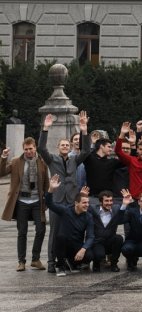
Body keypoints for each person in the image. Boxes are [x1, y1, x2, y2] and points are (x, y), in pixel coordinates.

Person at [38, 113, 83, 273]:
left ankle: (69, 261)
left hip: (70, 201)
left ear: (70, 147)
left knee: (71, 233)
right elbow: (41, 148)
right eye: (62, 145)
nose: (65, 147)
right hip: (56, 201)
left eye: (67, 145)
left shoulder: (74, 160)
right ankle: (51, 262)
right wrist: (45, 129)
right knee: (54, 232)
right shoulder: (52, 160)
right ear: (58, 147)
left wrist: (84, 130)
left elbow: (87, 151)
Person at [1, 139, 49, 272]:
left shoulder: (42, 162)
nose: (28, 152)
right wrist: (4, 157)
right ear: (23, 149)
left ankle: (35, 259)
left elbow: (46, 182)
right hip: (21, 201)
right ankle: (21, 261)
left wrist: (47, 200)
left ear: (35, 148)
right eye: (26, 149)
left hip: (37, 202)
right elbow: (2, 172)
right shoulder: (16, 161)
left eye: (31, 149)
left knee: (41, 229)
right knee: (22, 232)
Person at [44, 176, 94, 277]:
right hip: (63, 245)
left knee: (89, 255)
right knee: (60, 237)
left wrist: (83, 249)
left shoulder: (88, 216)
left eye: (88, 203)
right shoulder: (65, 210)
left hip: (76, 246)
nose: (87, 205)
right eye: (84, 203)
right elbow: (50, 204)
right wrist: (51, 190)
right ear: (76, 203)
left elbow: (90, 236)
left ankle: (72, 263)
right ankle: (61, 266)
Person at [88, 189, 127, 272]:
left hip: (110, 240)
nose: (109, 203)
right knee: (99, 255)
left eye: (111, 200)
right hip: (98, 241)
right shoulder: (94, 209)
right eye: (106, 201)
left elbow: (121, 218)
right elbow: (83, 206)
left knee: (119, 238)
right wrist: (83, 195)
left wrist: (125, 204)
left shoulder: (116, 209)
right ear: (101, 202)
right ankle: (96, 263)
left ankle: (114, 264)